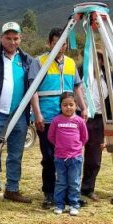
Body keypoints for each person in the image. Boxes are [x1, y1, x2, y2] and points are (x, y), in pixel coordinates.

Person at [0, 22, 35, 204]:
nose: (12, 42)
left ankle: (12, 189)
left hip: (19, 115)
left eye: (15, 38)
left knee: (16, 154)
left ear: (20, 39)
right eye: (8, 38)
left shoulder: (27, 60)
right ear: (1, 38)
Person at [32, 27, 86, 209]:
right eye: (56, 43)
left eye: (63, 44)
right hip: (47, 117)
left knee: (70, 157)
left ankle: (71, 195)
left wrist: (83, 108)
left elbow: (77, 87)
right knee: (49, 157)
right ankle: (50, 193)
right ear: (49, 43)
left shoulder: (71, 63)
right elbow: (33, 90)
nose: (60, 47)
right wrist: (37, 114)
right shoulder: (39, 62)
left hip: (69, 119)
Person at [47, 92, 88, 216]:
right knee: (61, 182)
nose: (68, 107)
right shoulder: (56, 121)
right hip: (60, 158)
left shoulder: (79, 121)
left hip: (75, 158)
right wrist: (60, 146)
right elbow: (51, 136)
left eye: (71, 104)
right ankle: (59, 205)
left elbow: (84, 137)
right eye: (65, 105)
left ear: (76, 105)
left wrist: (76, 148)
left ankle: (74, 204)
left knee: (74, 182)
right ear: (60, 106)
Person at [80, 48, 110, 201]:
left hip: (98, 119)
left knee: (94, 157)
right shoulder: (79, 74)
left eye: (97, 59)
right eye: (90, 59)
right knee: (72, 154)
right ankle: (69, 187)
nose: (94, 62)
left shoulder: (108, 77)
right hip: (79, 117)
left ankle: (88, 188)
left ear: (102, 61)